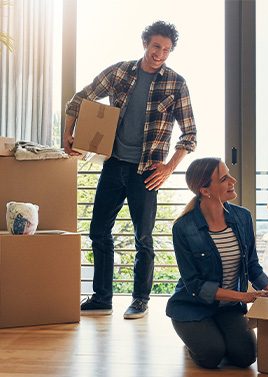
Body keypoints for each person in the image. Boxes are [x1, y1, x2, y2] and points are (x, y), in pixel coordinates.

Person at [63, 21, 197, 318]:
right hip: (113, 165)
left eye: (166, 49)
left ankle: (140, 299)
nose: (160, 53)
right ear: (145, 44)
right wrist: (67, 135)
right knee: (99, 230)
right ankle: (102, 298)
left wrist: (168, 168)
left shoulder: (176, 83)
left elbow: (190, 136)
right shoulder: (120, 72)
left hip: (147, 172)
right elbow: (78, 100)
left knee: (144, 238)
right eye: (156, 46)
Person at [166, 158, 268, 369]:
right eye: (224, 178)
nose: (233, 180)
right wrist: (244, 296)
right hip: (192, 307)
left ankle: (215, 332)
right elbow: (195, 285)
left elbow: (252, 264)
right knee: (211, 356)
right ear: (205, 190)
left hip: (228, 308)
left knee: (246, 357)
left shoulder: (242, 218)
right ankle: (195, 340)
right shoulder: (183, 228)